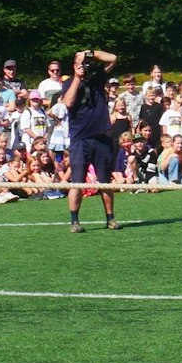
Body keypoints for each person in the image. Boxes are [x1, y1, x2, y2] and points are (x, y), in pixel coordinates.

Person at [62, 49, 122, 233]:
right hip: (80, 139)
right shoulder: (69, 83)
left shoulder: (97, 78)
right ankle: (74, 221)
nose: (85, 67)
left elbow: (113, 58)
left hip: (101, 137)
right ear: (74, 66)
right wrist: (78, 77)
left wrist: (91, 53)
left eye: (86, 65)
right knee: (78, 182)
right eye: (81, 64)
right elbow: (68, 103)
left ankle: (110, 218)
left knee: (104, 182)